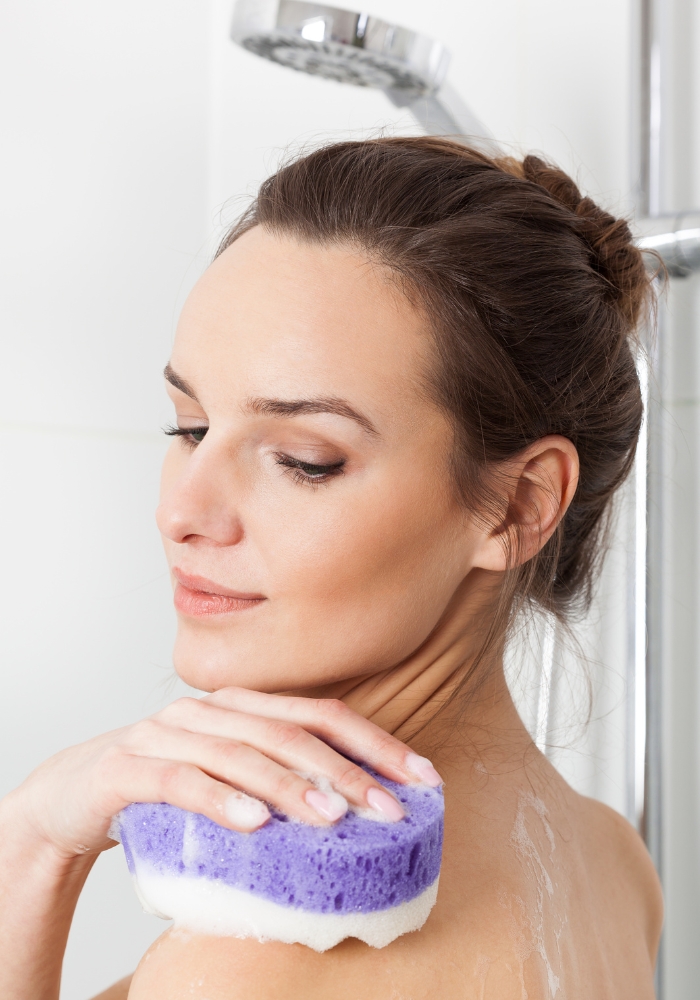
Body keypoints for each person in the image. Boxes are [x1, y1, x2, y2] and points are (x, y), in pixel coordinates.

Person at [0, 137, 663, 1000]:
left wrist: (33, 842)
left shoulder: (251, 967)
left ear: (518, 506)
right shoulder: (614, 864)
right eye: (191, 428)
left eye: (304, 461)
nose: (181, 514)